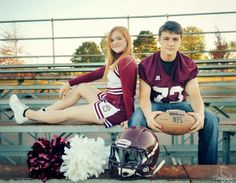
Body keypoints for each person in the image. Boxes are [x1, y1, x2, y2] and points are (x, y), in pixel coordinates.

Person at [9, 26, 137, 129]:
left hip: (115, 111)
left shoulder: (126, 63)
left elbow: (128, 94)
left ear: (127, 40)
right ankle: (42, 113)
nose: (115, 43)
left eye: (119, 38)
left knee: (69, 112)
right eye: (112, 40)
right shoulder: (118, 61)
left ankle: (26, 113)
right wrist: (69, 83)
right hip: (110, 101)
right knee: (82, 87)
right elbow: (94, 74)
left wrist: (131, 121)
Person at [128, 21, 219, 164]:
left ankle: (208, 167)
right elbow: (144, 98)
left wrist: (200, 115)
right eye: (166, 38)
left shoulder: (188, 65)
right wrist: (149, 115)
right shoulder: (147, 64)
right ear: (159, 40)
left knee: (211, 120)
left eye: (175, 39)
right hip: (155, 105)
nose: (170, 43)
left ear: (180, 41)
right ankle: (135, 166)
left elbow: (195, 96)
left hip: (180, 105)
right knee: (136, 120)